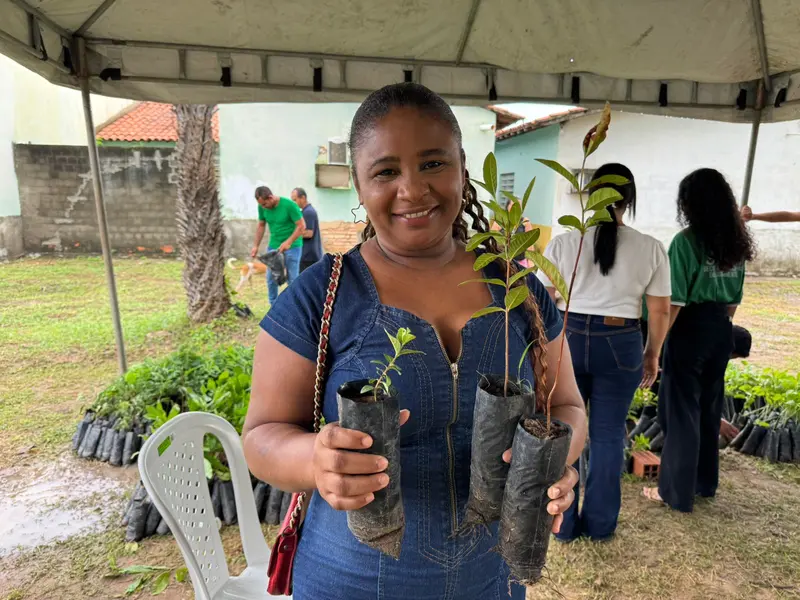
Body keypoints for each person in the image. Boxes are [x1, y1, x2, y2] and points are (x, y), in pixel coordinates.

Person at [241, 83, 587, 600]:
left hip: (493, 579)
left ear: (462, 170)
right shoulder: (323, 293)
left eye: (432, 164)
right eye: (385, 171)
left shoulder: (518, 290)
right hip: (349, 579)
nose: (413, 189)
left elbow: (567, 405)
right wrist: (315, 459)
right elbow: (261, 435)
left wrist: (559, 458)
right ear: (359, 186)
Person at [537, 163, 671, 542]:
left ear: (592, 196)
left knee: (565, 425)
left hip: (569, 336)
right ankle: (600, 525)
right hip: (622, 340)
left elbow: (543, 302)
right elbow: (659, 309)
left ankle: (563, 526)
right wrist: (652, 353)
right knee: (610, 434)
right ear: (629, 200)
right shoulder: (651, 248)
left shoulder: (563, 243)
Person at [644, 168, 756, 512]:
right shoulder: (735, 242)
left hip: (688, 329)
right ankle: (705, 483)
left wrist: (657, 348)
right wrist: (719, 330)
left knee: (681, 412)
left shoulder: (686, 242)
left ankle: (675, 493)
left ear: (689, 204)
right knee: (708, 409)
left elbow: (673, 303)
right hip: (720, 327)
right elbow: (734, 298)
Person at [251, 186, 306, 306]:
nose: (263, 207)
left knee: (292, 280)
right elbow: (261, 225)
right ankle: (274, 308)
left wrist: (288, 242)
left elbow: (302, 226)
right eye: (261, 205)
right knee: (271, 279)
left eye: (265, 204)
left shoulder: (289, 205)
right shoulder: (262, 207)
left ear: (271, 197)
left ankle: (295, 309)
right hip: (274, 247)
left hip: (293, 247)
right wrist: (255, 245)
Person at [291, 187, 324, 272]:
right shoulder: (305, 211)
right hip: (307, 255)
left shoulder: (308, 212)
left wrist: (292, 236)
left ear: (303, 198)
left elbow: (309, 233)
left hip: (309, 256)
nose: (293, 203)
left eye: (295, 200)